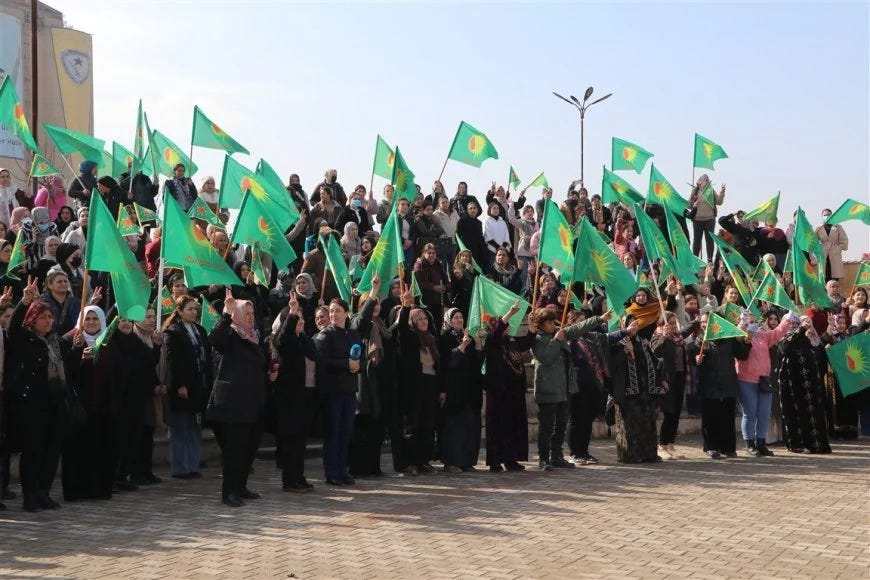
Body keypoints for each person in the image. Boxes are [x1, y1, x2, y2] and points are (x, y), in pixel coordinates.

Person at [4, 277, 71, 511]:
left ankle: (44, 492)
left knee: (51, 451)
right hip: (32, 404)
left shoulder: (54, 341)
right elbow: (13, 327)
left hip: (54, 402)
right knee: (33, 450)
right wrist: (24, 302)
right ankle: (30, 494)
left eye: (50, 317)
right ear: (32, 320)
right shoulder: (25, 339)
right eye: (43, 317)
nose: (48, 321)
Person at [207, 290, 275, 507]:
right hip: (232, 405)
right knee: (234, 450)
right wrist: (227, 314)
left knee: (249, 448)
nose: (250, 317)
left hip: (253, 403)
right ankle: (229, 492)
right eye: (246, 313)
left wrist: (270, 371)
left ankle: (241, 487)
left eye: (252, 314)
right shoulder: (231, 336)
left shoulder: (253, 337)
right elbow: (215, 339)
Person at [530, 307, 608, 470]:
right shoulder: (537, 339)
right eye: (549, 322)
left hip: (564, 388)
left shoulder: (559, 333)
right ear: (541, 324)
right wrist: (556, 341)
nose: (552, 325)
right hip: (548, 389)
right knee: (547, 427)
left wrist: (598, 319)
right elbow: (546, 358)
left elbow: (577, 328)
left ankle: (557, 456)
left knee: (560, 426)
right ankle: (544, 459)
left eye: (553, 321)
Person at [61, 305, 118, 501]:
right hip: (80, 407)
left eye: (95, 319)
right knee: (77, 450)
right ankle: (76, 490)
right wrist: (77, 354)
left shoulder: (108, 342)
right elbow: (66, 372)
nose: (91, 322)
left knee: (101, 449)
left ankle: (99, 489)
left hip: (103, 407)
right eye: (87, 319)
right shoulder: (70, 340)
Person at [314, 295, 367, 485]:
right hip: (332, 392)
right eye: (331, 311)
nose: (333, 314)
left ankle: (343, 470)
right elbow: (321, 361)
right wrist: (346, 364)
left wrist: (357, 366)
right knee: (333, 433)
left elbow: (362, 358)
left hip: (349, 390)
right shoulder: (325, 335)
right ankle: (332, 473)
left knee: (346, 432)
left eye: (337, 310)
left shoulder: (353, 334)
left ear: (347, 313)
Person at [162, 295, 214, 479]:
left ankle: (193, 465)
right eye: (190, 309)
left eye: (195, 309)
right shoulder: (173, 332)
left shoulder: (200, 330)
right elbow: (173, 362)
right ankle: (180, 468)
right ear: (180, 311)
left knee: (194, 428)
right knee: (180, 428)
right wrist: (180, 385)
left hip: (198, 386)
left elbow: (206, 356)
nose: (194, 312)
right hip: (181, 388)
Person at [272, 291, 319, 491]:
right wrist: (291, 313)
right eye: (295, 319)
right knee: (291, 440)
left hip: (306, 396)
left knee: (301, 440)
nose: (300, 321)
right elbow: (284, 338)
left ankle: (299, 476)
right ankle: (289, 480)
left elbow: (315, 357)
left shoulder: (305, 340)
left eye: (301, 318)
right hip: (289, 399)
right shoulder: (283, 340)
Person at [689, 313, 752, 459]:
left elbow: (742, 355)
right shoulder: (701, 339)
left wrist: (746, 343)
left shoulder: (729, 339)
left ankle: (728, 448)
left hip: (728, 383)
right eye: (702, 322)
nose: (704, 324)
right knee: (710, 418)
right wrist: (696, 359)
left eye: (707, 321)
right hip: (709, 384)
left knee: (727, 417)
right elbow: (694, 358)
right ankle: (711, 447)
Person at [609, 314, 668, 463]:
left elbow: (654, 362)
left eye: (635, 324)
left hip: (645, 390)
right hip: (628, 391)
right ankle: (630, 455)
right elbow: (611, 365)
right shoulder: (616, 343)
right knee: (631, 424)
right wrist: (624, 351)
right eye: (631, 324)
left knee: (647, 422)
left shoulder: (642, 342)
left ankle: (648, 453)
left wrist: (661, 379)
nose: (634, 327)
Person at [735, 310, 793, 457]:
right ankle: (750, 444)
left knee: (764, 414)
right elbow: (738, 336)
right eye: (750, 322)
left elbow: (776, 333)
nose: (753, 324)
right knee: (750, 413)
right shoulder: (741, 334)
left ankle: (761, 443)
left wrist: (787, 319)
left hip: (764, 379)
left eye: (754, 321)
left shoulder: (762, 334)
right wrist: (742, 323)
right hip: (746, 379)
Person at [395, 290, 441, 475]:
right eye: (419, 319)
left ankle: (424, 460)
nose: (423, 321)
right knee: (413, 425)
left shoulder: (431, 339)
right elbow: (402, 329)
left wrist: (441, 389)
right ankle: (410, 462)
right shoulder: (410, 338)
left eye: (425, 318)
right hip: (414, 386)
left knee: (427, 425)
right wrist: (406, 307)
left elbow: (438, 365)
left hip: (430, 384)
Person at [775, 310, 832, 454]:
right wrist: (800, 330)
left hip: (810, 383)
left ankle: (816, 444)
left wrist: (815, 340)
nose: (794, 325)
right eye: (790, 322)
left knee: (813, 413)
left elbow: (818, 354)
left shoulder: (806, 337)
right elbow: (784, 348)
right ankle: (798, 444)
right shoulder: (783, 336)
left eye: (796, 323)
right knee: (795, 413)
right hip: (792, 383)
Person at [438, 309, 484, 473]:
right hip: (454, 390)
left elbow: (477, 363)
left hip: (470, 390)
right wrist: (462, 345)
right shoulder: (444, 338)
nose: (459, 320)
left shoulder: (468, 337)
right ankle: (452, 462)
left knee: (470, 426)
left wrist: (477, 342)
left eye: (461, 317)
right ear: (448, 321)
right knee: (454, 428)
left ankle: (467, 461)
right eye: (455, 317)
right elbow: (449, 363)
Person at [650, 312, 690, 459]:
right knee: (669, 412)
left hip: (680, 377)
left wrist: (697, 321)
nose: (673, 326)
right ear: (662, 324)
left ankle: (671, 443)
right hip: (667, 379)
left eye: (674, 323)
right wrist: (663, 337)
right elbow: (656, 352)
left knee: (676, 412)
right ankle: (662, 444)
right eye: (670, 323)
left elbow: (688, 331)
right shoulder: (657, 336)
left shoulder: (678, 337)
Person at [686, 175, 725, 261]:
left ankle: (709, 260)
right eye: (705, 179)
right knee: (697, 241)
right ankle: (695, 260)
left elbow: (719, 202)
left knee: (709, 240)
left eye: (707, 179)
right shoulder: (695, 191)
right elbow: (689, 206)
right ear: (700, 181)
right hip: (697, 220)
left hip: (710, 219)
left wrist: (722, 193)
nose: (707, 180)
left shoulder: (710, 190)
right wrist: (693, 203)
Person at [413, 243, 448, 326]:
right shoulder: (419, 265)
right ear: (424, 253)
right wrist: (433, 287)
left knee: (438, 324)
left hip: (438, 301)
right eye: (429, 253)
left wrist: (445, 287)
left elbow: (446, 280)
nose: (431, 255)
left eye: (433, 253)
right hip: (425, 302)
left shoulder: (439, 265)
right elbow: (418, 282)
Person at [816, 209, 849, 282]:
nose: (826, 216)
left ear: (832, 216)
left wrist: (838, 248)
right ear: (821, 216)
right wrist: (818, 249)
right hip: (823, 253)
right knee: (824, 275)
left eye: (828, 215)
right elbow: (814, 241)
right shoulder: (818, 228)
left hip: (835, 253)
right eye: (825, 215)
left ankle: (834, 289)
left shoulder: (838, 227)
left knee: (835, 276)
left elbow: (844, 240)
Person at [456, 200, 487, 269]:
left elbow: (480, 236)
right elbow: (458, 235)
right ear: (467, 210)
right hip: (465, 249)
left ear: (477, 210)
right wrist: (463, 249)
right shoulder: (462, 221)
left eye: (474, 208)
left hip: (476, 250)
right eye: (470, 208)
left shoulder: (479, 223)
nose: (473, 210)